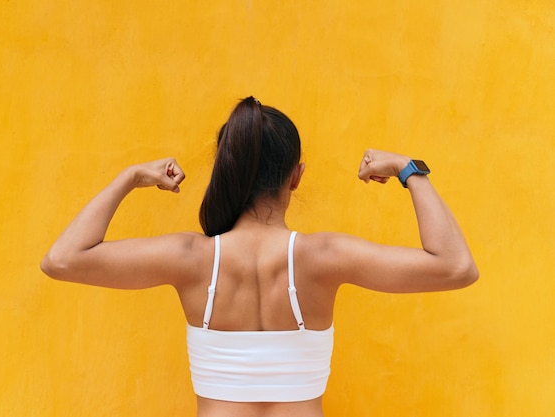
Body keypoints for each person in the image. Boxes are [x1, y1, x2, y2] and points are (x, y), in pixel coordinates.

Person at [41, 96, 478, 417]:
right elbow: (456, 267)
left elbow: (62, 259)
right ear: (297, 177)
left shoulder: (191, 258)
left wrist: (130, 177)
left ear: (227, 170)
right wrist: (408, 170)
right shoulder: (323, 256)